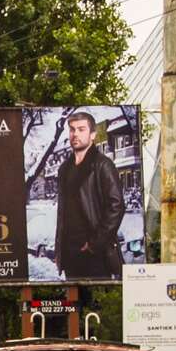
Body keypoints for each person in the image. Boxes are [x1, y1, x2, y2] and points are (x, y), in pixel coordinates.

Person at [54, 111, 125, 280]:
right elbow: (62, 214)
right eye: (72, 130)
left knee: (98, 303)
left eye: (81, 129)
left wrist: (95, 244)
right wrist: (60, 250)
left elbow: (117, 206)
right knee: (75, 304)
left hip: (95, 254)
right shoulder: (64, 169)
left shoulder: (102, 165)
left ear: (92, 135)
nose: (75, 134)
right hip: (70, 254)